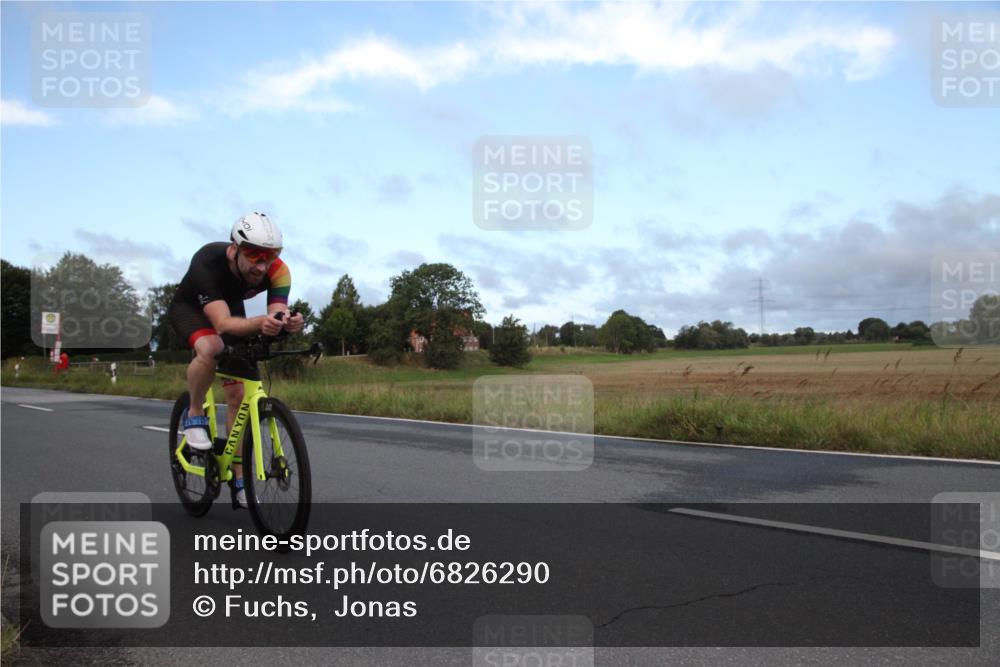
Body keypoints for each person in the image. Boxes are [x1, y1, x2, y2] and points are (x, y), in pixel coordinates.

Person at [168, 212, 304, 507]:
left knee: (239, 396)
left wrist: (287, 324)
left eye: (269, 257)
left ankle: (239, 482)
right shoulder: (208, 262)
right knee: (211, 346)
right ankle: (194, 413)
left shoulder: (278, 272)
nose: (261, 265)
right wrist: (260, 322)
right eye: (254, 255)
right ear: (234, 249)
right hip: (191, 308)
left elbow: (276, 313)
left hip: (230, 308)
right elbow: (222, 325)